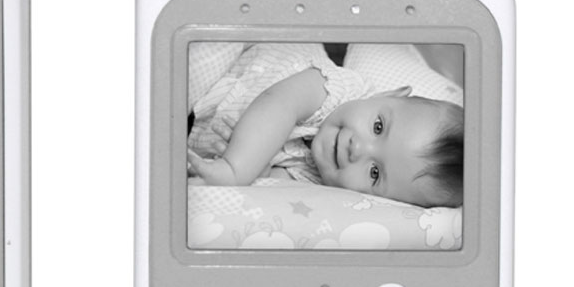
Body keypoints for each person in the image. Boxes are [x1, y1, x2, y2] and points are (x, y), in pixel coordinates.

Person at [187, 43, 462, 208]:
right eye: (378, 127)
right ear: (389, 95)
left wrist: (258, 170)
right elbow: (279, 104)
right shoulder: (336, 89)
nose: (358, 149)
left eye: (375, 173)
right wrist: (237, 168)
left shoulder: (322, 188)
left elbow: (270, 181)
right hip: (239, 55)